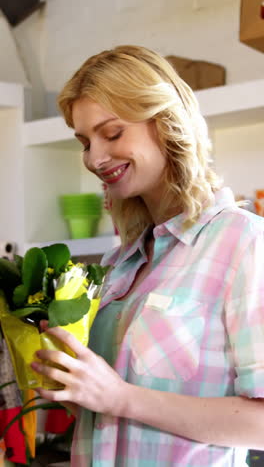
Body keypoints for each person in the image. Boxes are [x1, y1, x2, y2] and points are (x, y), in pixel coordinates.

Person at [31, 45, 264, 467]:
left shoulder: (243, 242)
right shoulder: (121, 262)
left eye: (113, 133)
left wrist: (120, 397)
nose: (94, 158)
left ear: (166, 123)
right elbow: (113, 416)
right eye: (85, 142)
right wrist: (75, 386)